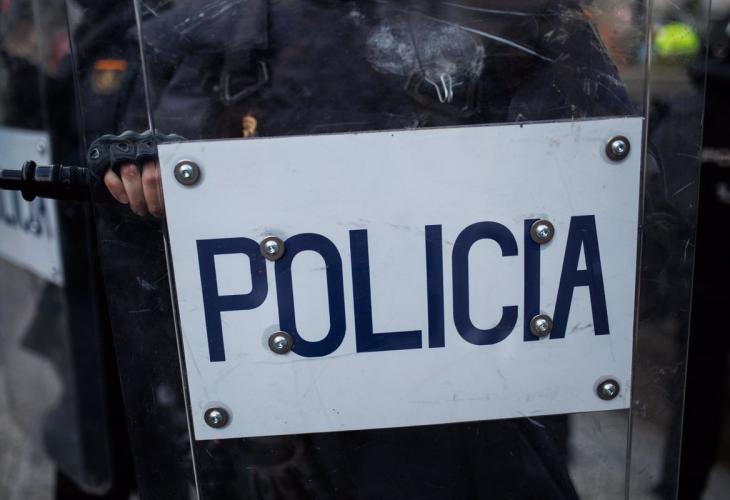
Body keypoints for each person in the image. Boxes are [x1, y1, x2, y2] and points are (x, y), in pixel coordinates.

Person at [86, 1, 635, 498]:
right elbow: (157, 230)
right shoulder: (213, 29)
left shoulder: (511, 15)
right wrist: (141, 185)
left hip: (470, 402)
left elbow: (614, 183)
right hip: (285, 420)